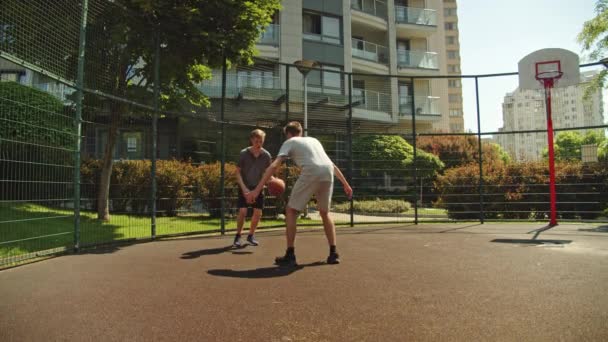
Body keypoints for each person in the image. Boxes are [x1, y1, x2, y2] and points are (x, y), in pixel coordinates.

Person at [247, 121, 353, 266]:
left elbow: (274, 165)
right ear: (301, 132)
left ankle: (290, 255)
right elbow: (331, 164)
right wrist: (346, 184)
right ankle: (333, 253)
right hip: (327, 172)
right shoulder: (314, 140)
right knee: (325, 212)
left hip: (311, 171)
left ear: (288, 134)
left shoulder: (290, 141)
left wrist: (257, 189)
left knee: (291, 211)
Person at [233, 129, 272, 247]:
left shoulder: (266, 155)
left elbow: (268, 174)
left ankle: (251, 235)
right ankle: (238, 236)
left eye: (261, 141)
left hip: (258, 187)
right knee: (243, 211)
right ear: (251, 140)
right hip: (245, 186)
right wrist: (244, 189)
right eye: (256, 141)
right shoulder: (243, 153)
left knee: (258, 212)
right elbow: (237, 172)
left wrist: (274, 182)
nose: (259, 144)